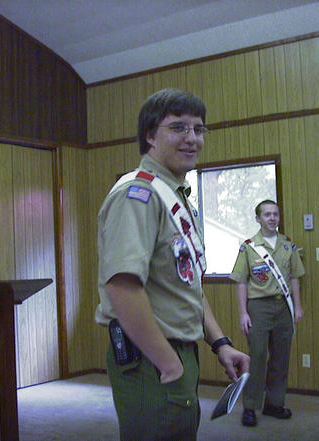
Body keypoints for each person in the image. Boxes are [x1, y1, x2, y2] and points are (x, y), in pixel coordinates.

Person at [95, 88, 250, 441]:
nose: (192, 138)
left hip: (177, 351)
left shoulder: (176, 198)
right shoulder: (138, 195)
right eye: (178, 127)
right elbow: (122, 287)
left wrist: (221, 343)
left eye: (198, 129)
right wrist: (167, 362)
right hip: (149, 358)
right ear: (150, 136)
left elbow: (186, 284)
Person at [229, 200, 305, 427]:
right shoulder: (249, 247)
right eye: (267, 214)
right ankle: (250, 406)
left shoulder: (288, 246)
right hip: (258, 307)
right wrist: (243, 313)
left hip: (283, 307)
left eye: (275, 214)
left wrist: (298, 306)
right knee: (258, 357)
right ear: (258, 219)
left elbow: (295, 277)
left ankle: (274, 403)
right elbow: (241, 282)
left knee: (281, 358)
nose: (272, 218)